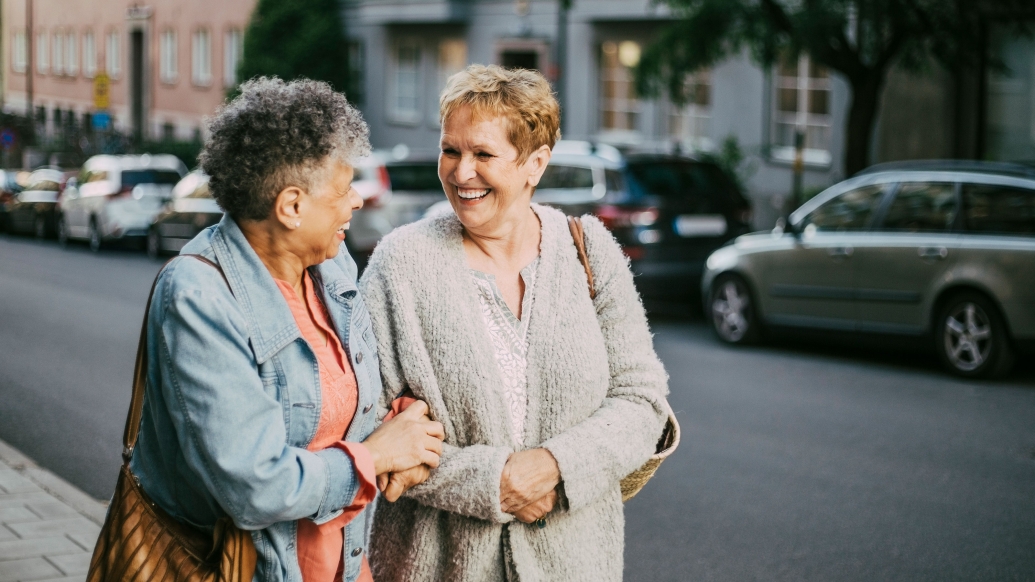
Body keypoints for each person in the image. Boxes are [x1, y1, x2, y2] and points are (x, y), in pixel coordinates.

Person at [361, 64, 670, 581]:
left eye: (483, 154)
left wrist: (552, 467)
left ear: (535, 163)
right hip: (436, 565)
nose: (461, 173)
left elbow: (643, 400)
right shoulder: (401, 264)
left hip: (576, 564)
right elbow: (370, 427)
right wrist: (494, 482)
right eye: (450, 150)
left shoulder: (590, 250)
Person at [129, 77, 444, 582]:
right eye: (344, 190)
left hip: (345, 564)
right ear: (292, 206)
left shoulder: (331, 262)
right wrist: (376, 454)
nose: (357, 202)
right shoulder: (198, 296)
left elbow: (348, 393)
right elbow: (255, 487)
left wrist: (403, 425)